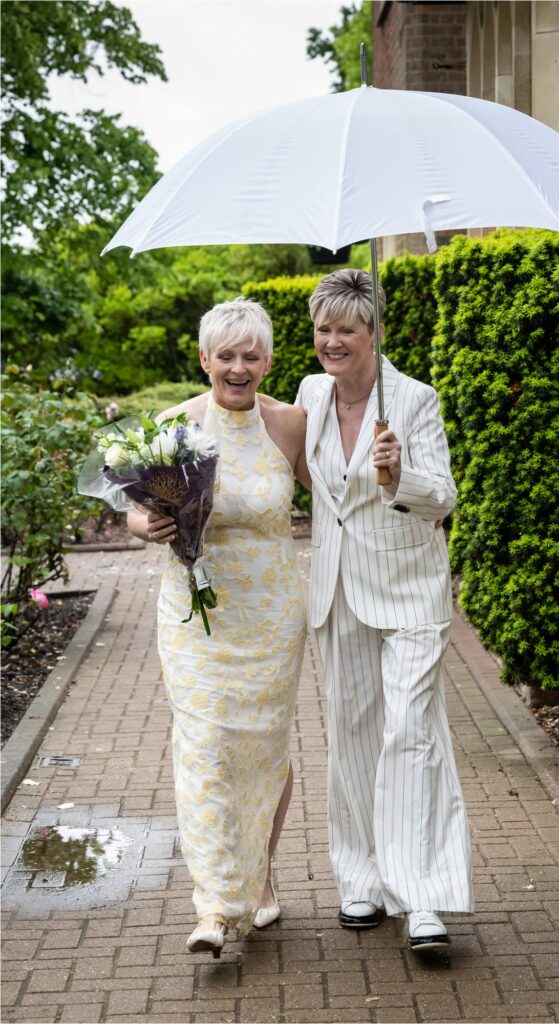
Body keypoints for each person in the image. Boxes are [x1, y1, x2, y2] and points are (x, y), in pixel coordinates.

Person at [295, 268, 473, 952]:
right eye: (322, 328)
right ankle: (361, 881)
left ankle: (422, 897)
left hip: (407, 588)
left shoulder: (414, 401)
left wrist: (399, 475)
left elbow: (444, 498)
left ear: (373, 332)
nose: (332, 341)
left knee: (411, 731)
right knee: (353, 737)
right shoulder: (310, 394)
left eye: (346, 328)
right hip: (337, 589)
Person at [128, 297, 309, 957]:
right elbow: (137, 509)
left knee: (263, 747)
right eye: (225, 356)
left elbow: (342, 496)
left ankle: (256, 879)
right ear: (203, 360)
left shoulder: (290, 425)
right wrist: (145, 524)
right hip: (194, 615)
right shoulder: (174, 426)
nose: (238, 367)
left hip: (270, 615)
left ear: (267, 359)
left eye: (250, 355)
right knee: (203, 746)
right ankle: (215, 907)